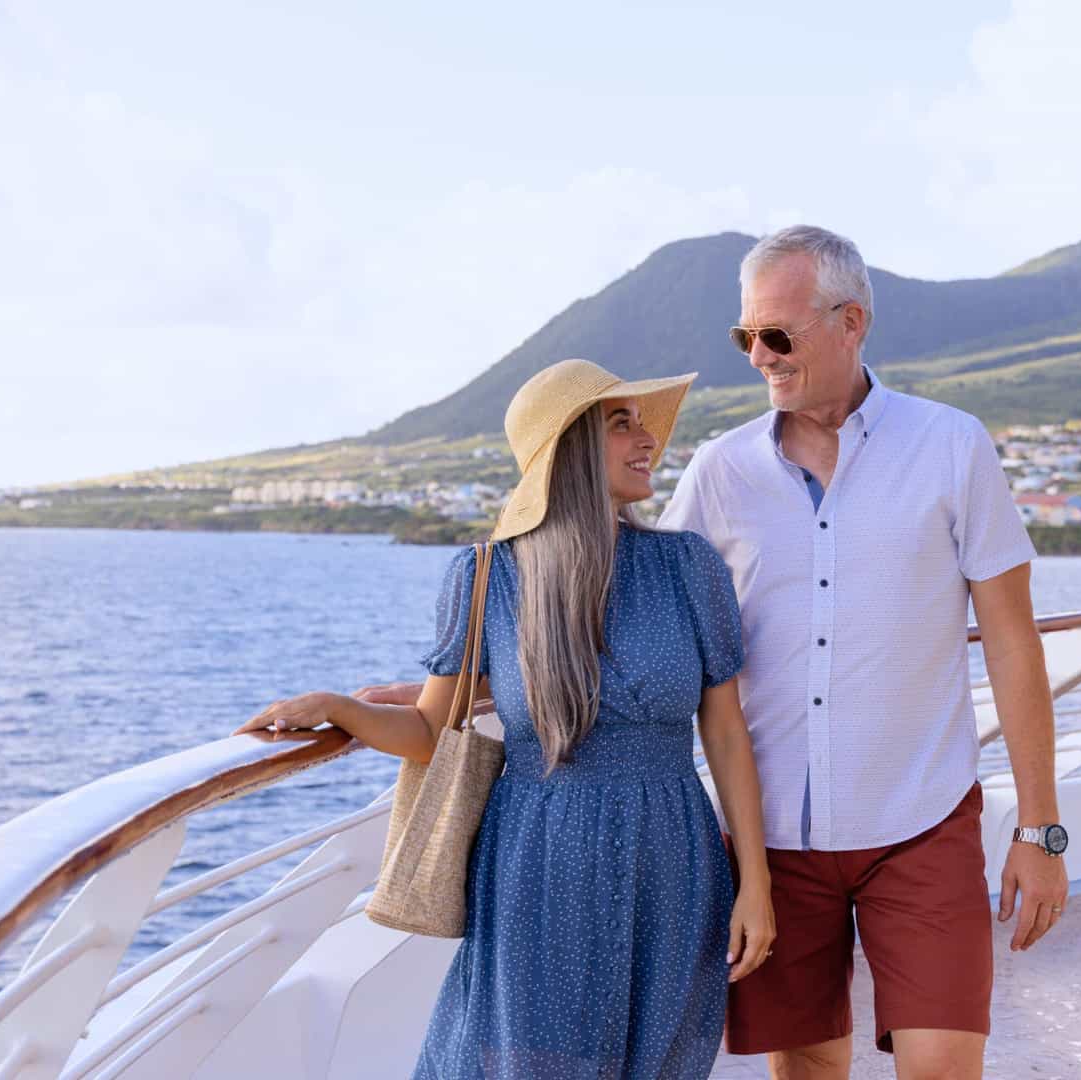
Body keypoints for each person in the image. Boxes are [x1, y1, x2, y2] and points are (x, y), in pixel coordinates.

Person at [236, 359, 775, 1079]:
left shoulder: (688, 567)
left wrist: (756, 887)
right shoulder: (489, 577)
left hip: (674, 853)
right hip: (539, 861)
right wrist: (341, 709)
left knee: (664, 1057)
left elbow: (728, 734)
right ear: (571, 449)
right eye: (622, 424)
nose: (648, 440)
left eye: (642, 423)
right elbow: (430, 731)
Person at [657, 225, 1068, 1080]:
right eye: (747, 338)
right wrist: (458, 685)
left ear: (852, 323)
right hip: (772, 845)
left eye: (779, 335)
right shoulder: (719, 472)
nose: (761, 357)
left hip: (921, 825)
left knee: (943, 1068)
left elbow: (1012, 644)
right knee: (808, 1070)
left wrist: (1040, 831)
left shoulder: (951, 446)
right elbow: (638, 624)